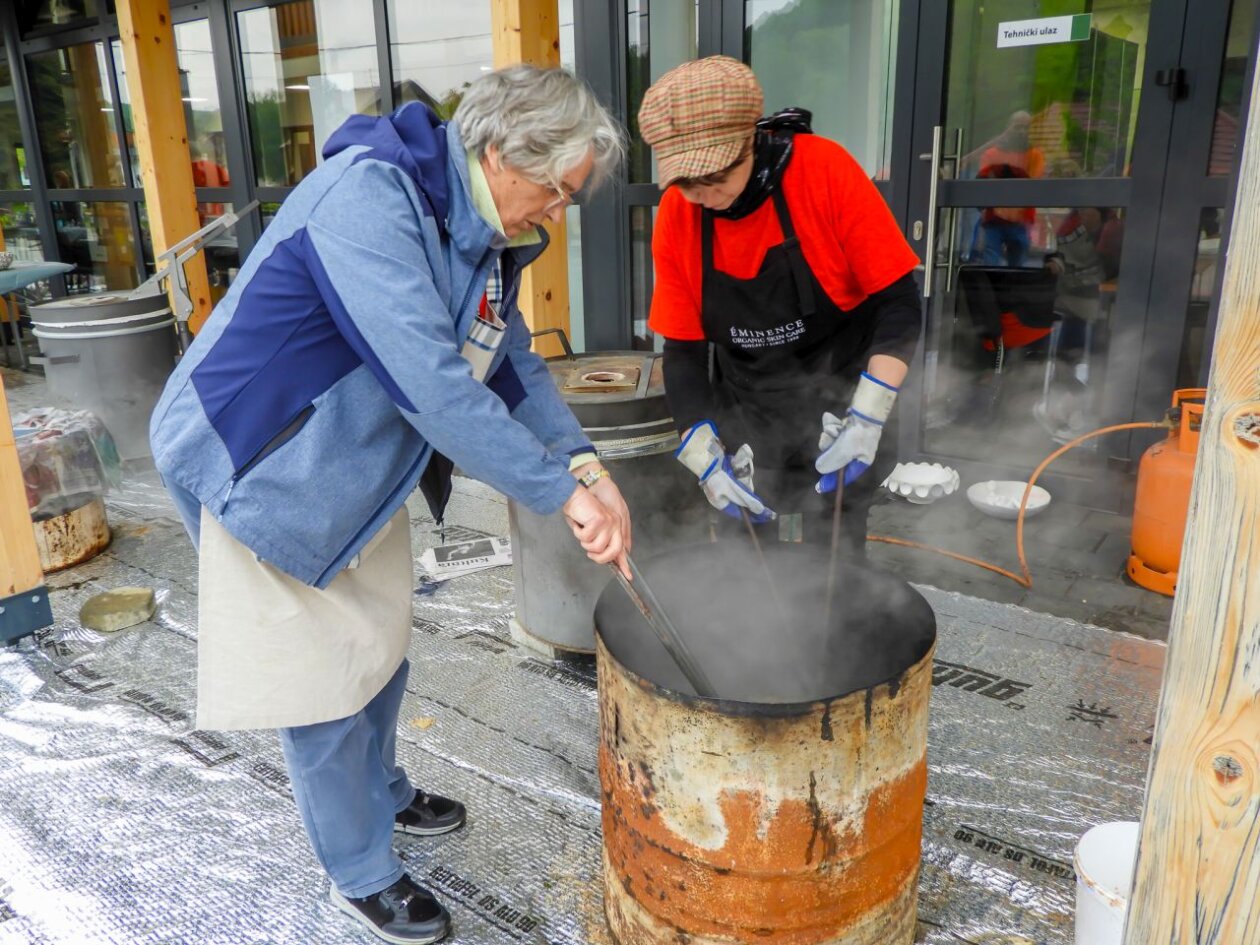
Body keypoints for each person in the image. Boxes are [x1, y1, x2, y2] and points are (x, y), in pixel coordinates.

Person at [149, 66, 629, 945]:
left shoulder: (483, 227)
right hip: (264, 464)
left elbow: (510, 360)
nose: (556, 217)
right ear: (500, 153)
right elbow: (435, 387)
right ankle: (360, 870)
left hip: (353, 465)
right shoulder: (368, 199)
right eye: (558, 194)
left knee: (381, 644)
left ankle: (386, 791)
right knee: (322, 681)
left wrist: (588, 466)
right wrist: (560, 494)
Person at [637, 56, 922, 557]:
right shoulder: (680, 216)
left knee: (835, 552)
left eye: (714, 175)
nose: (702, 195)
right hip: (746, 412)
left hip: (842, 405)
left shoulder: (823, 171)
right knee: (745, 552)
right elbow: (682, 351)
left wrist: (869, 415)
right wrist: (702, 450)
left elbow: (898, 303)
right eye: (686, 181)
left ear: (751, 140)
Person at [976, 110, 1045, 267]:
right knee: (990, 266)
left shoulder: (1035, 155)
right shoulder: (991, 154)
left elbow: (1032, 185)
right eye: (1018, 127)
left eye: (1026, 127)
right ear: (1008, 127)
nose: (1022, 131)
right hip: (993, 220)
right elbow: (982, 186)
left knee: (1018, 269)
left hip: (1021, 220)